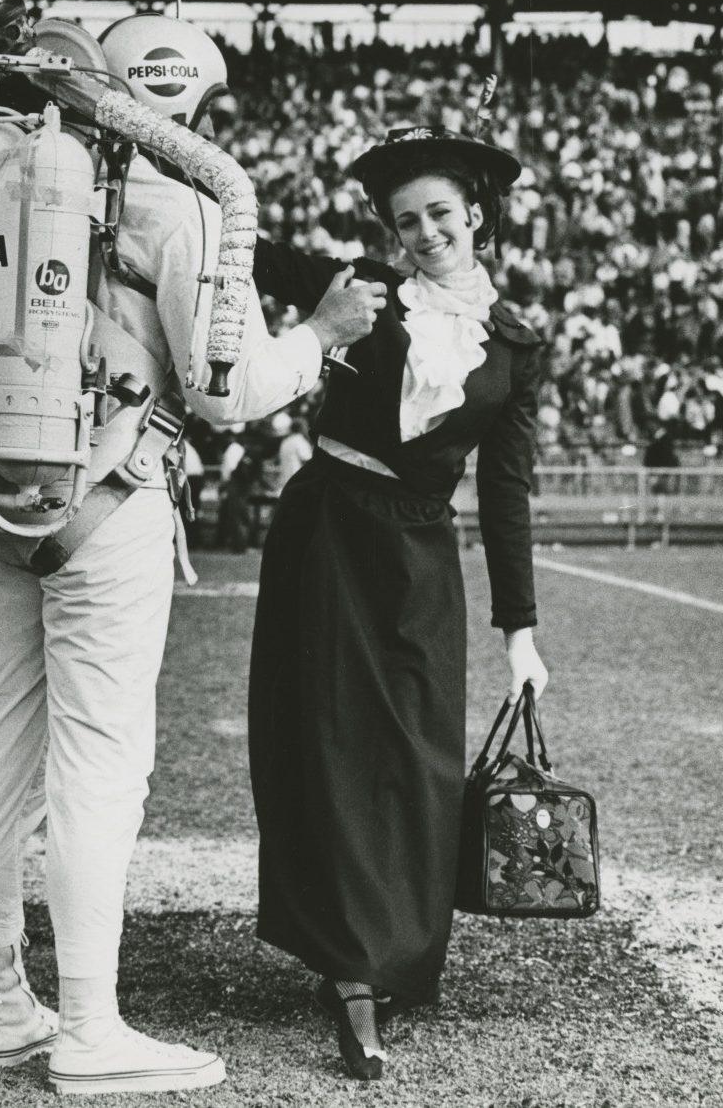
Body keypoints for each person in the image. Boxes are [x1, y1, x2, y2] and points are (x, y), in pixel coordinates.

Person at [0, 15, 381, 1097]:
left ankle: (5, 1008)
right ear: (181, 96)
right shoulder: (176, 203)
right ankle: (90, 1028)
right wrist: (322, 334)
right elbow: (228, 391)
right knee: (100, 767)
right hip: (115, 497)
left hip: (3, 490)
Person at [247, 122, 549, 1082]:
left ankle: (395, 950)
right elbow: (243, 246)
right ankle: (350, 962)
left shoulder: (515, 343)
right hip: (329, 531)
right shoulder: (359, 288)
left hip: (420, 551)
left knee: (419, 754)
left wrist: (520, 632)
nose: (425, 232)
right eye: (406, 219)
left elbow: (505, 492)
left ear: (478, 215)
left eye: (440, 213)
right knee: (333, 739)